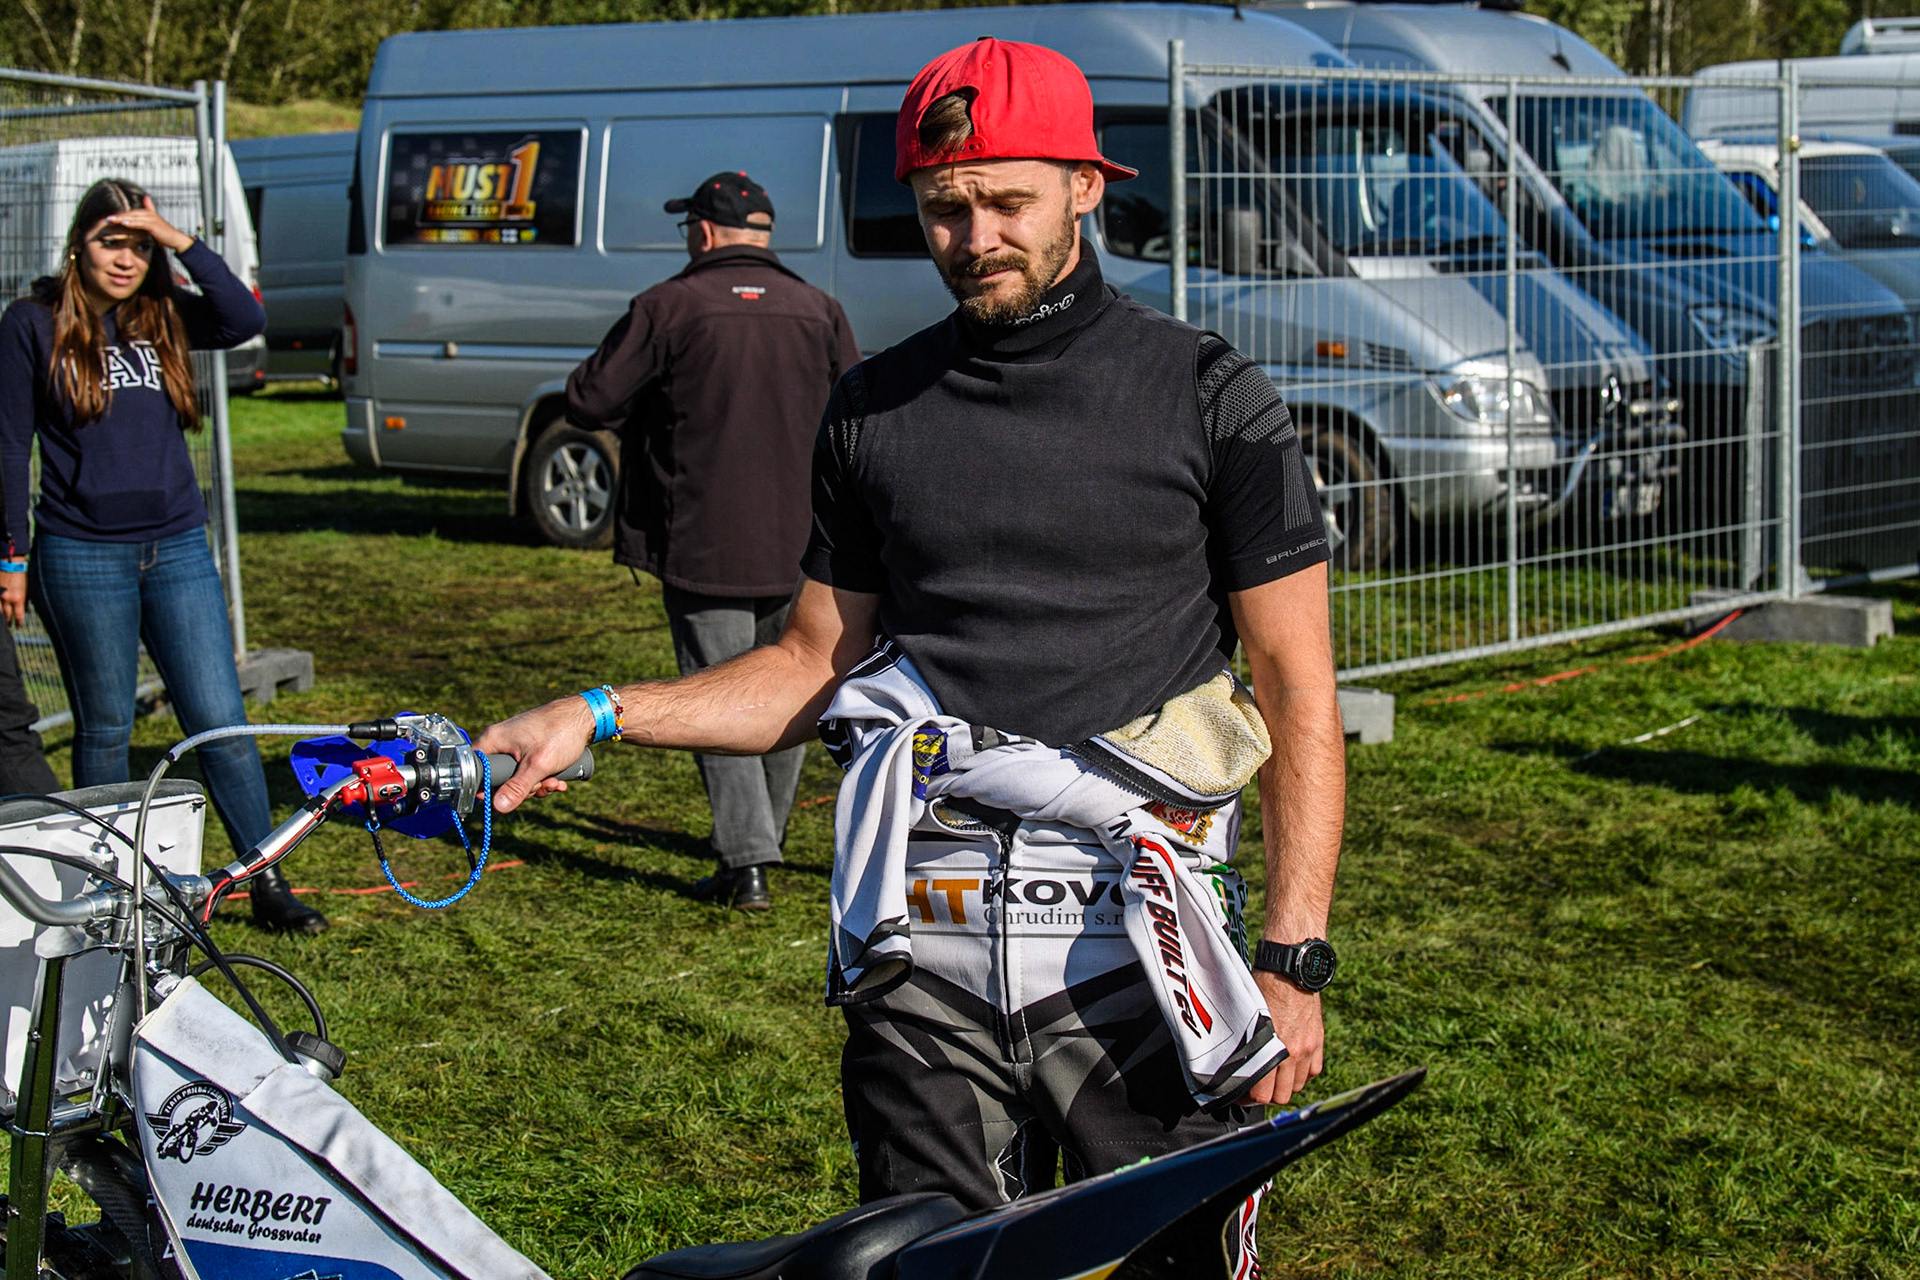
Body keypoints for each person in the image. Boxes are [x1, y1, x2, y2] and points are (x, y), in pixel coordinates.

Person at [480, 39, 1343, 1269]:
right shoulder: (874, 405)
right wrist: (600, 710)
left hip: (1141, 961)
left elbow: (1296, 687)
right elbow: (814, 660)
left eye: (1008, 201)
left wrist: (1293, 956)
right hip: (921, 960)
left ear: (1086, 186)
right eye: (946, 207)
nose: (975, 234)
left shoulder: (1208, 391)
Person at [0, 178, 326, 934]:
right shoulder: (30, 322)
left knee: (218, 718)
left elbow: (245, 316)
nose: (127, 259)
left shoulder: (165, 316)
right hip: (82, 555)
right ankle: (111, 886)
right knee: (106, 726)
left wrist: (180, 241)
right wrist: (9, 552)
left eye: (141, 245)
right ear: (79, 243)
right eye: (114, 240)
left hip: (176, 547)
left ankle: (264, 879)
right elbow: (10, 440)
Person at [566, 170, 860, 911]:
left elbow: (589, 398)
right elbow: (858, 419)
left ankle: (746, 861)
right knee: (793, 689)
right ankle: (763, 841)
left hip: (700, 539)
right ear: (762, 234)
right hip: (806, 540)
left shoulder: (668, 305)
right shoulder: (818, 308)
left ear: (700, 231)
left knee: (716, 694)